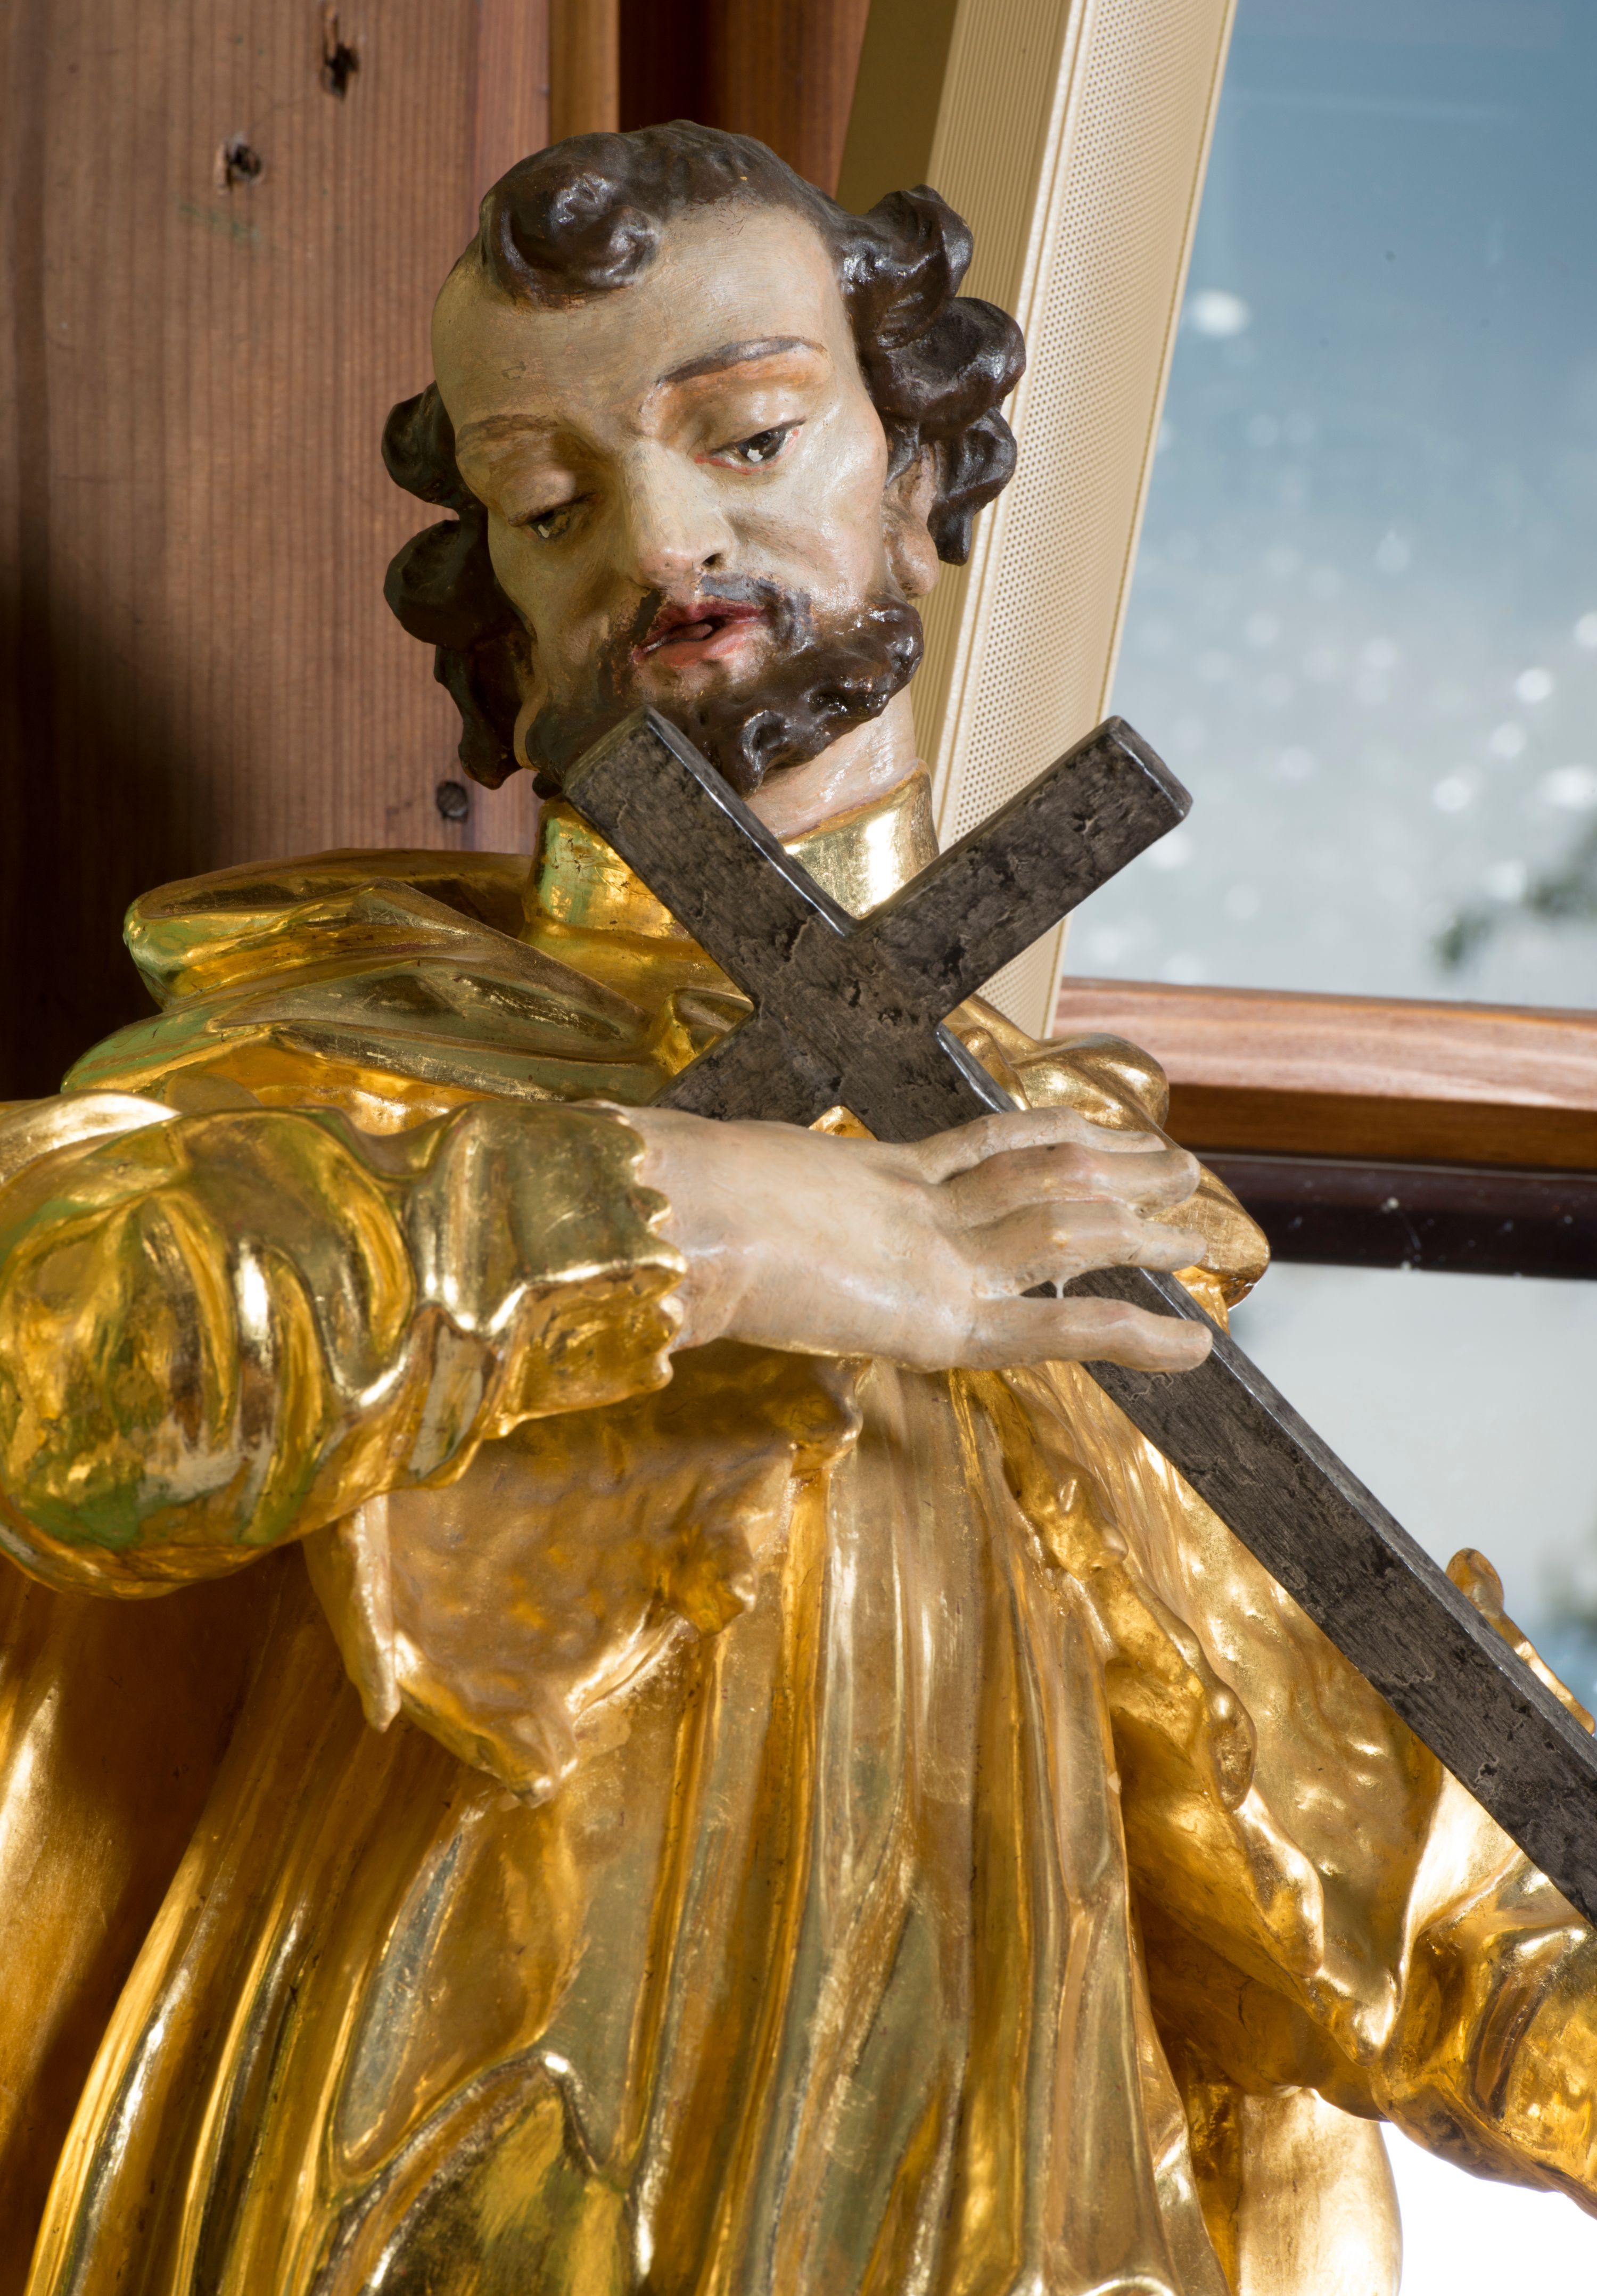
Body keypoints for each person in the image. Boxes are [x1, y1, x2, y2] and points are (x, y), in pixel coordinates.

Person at [1, 124, 1592, 2295]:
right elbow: (68, 1370)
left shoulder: (1044, 1179)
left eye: (748, 437)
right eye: (550, 500)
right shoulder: (348, 1059)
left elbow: (1357, 1830)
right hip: (446, 2195)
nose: (665, 543)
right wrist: (726, 1220)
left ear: (918, 469)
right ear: (495, 591)